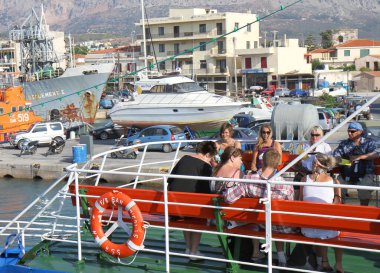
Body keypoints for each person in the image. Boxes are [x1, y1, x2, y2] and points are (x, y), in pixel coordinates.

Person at [224, 149, 294, 266]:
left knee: (258, 221)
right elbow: (289, 209)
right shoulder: (286, 185)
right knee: (278, 223)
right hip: (281, 226)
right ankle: (282, 258)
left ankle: (259, 252)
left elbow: (228, 198)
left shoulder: (248, 179)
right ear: (278, 164)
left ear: (262, 162)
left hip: (259, 223)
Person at [168, 141, 217, 259]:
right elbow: (206, 192)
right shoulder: (206, 166)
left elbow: (170, 180)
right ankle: (194, 252)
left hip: (175, 207)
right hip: (190, 208)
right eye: (211, 157)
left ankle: (188, 248)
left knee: (188, 215)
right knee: (198, 216)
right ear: (207, 154)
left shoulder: (184, 158)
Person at [299, 153, 344, 273]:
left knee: (320, 224)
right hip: (326, 228)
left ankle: (324, 261)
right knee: (336, 229)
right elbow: (337, 205)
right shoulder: (335, 182)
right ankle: (339, 264)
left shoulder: (304, 179)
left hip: (307, 229)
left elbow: (299, 202)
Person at [333, 122, 378, 206]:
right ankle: (339, 209)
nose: (349, 133)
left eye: (352, 131)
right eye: (348, 131)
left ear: (360, 132)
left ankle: (364, 210)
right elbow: (335, 157)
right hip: (346, 173)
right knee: (337, 184)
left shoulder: (369, 142)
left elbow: (375, 154)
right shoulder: (344, 144)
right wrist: (347, 162)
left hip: (366, 174)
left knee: (365, 188)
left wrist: (360, 157)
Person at [293, 126, 332, 199]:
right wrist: (300, 159)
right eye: (312, 135)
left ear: (321, 136)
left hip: (320, 173)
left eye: (317, 135)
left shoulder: (326, 147)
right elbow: (297, 162)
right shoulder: (304, 146)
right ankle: (297, 204)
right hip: (304, 172)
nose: (314, 137)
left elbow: (330, 165)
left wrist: (320, 166)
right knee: (297, 178)